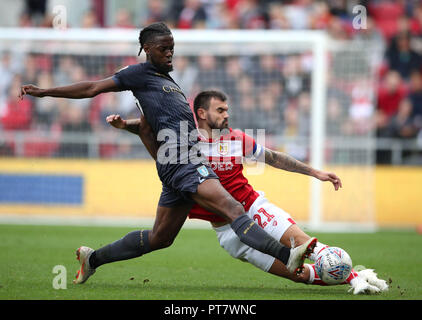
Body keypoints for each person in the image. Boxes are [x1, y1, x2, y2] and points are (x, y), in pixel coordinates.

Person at [19, 22, 317, 285]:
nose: (170, 53)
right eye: (164, 48)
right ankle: (286, 254)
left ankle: (92, 259)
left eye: (172, 48)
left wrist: (132, 127)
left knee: (160, 237)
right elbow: (93, 87)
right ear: (147, 49)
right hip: (182, 161)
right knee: (233, 208)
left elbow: (153, 124)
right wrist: (46, 92)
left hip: (177, 162)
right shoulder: (138, 74)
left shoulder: (164, 81)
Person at [107, 90, 388, 294]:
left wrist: (315, 172)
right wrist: (126, 126)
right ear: (202, 113)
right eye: (221, 110)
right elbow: (152, 132)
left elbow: (274, 158)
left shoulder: (236, 139)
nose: (227, 115)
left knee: (303, 245)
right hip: (228, 233)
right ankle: (353, 275)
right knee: (299, 274)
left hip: (252, 207)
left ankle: (354, 277)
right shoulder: (183, 143)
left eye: (228, 109)